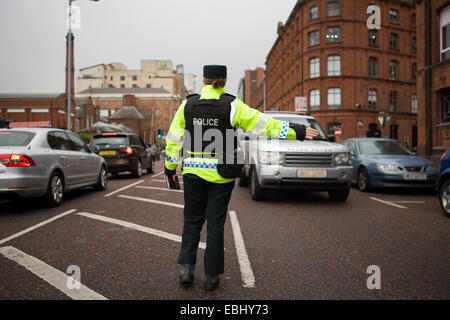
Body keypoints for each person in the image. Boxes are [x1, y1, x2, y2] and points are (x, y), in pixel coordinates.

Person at [165, 65, 319, 291]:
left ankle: (186, 269)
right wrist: (298, 131)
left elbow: (174, 138)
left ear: (205, 80)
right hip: (221, 174)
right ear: (224, 81)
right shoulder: (232, 106)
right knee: (215, 225)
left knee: (191, 221)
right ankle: (211, 277)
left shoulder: (187, 105)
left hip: (192, 172)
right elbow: (264, 124)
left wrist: (170, 167)